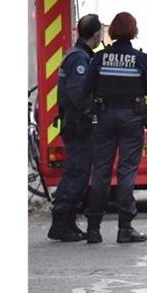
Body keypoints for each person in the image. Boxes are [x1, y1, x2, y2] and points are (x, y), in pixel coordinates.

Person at [84, 12, 147, 244]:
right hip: (131, 118)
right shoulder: (140, 59)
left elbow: (88, 86)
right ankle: (125, 228)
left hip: (105, 117)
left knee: (100, 173)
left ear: (113, 30)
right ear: (134, 31)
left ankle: (94, 229)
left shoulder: (99, 58)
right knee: (127, 171)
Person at [47, 15, 102, 242]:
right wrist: (94, 109)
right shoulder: (79, 58)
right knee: (76, 173)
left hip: (77, 124)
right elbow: (78, 94)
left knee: (78, 173)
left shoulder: (78, 55)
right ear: (96, 34)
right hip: (78, 125)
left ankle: (67, 221)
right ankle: (61, 222)